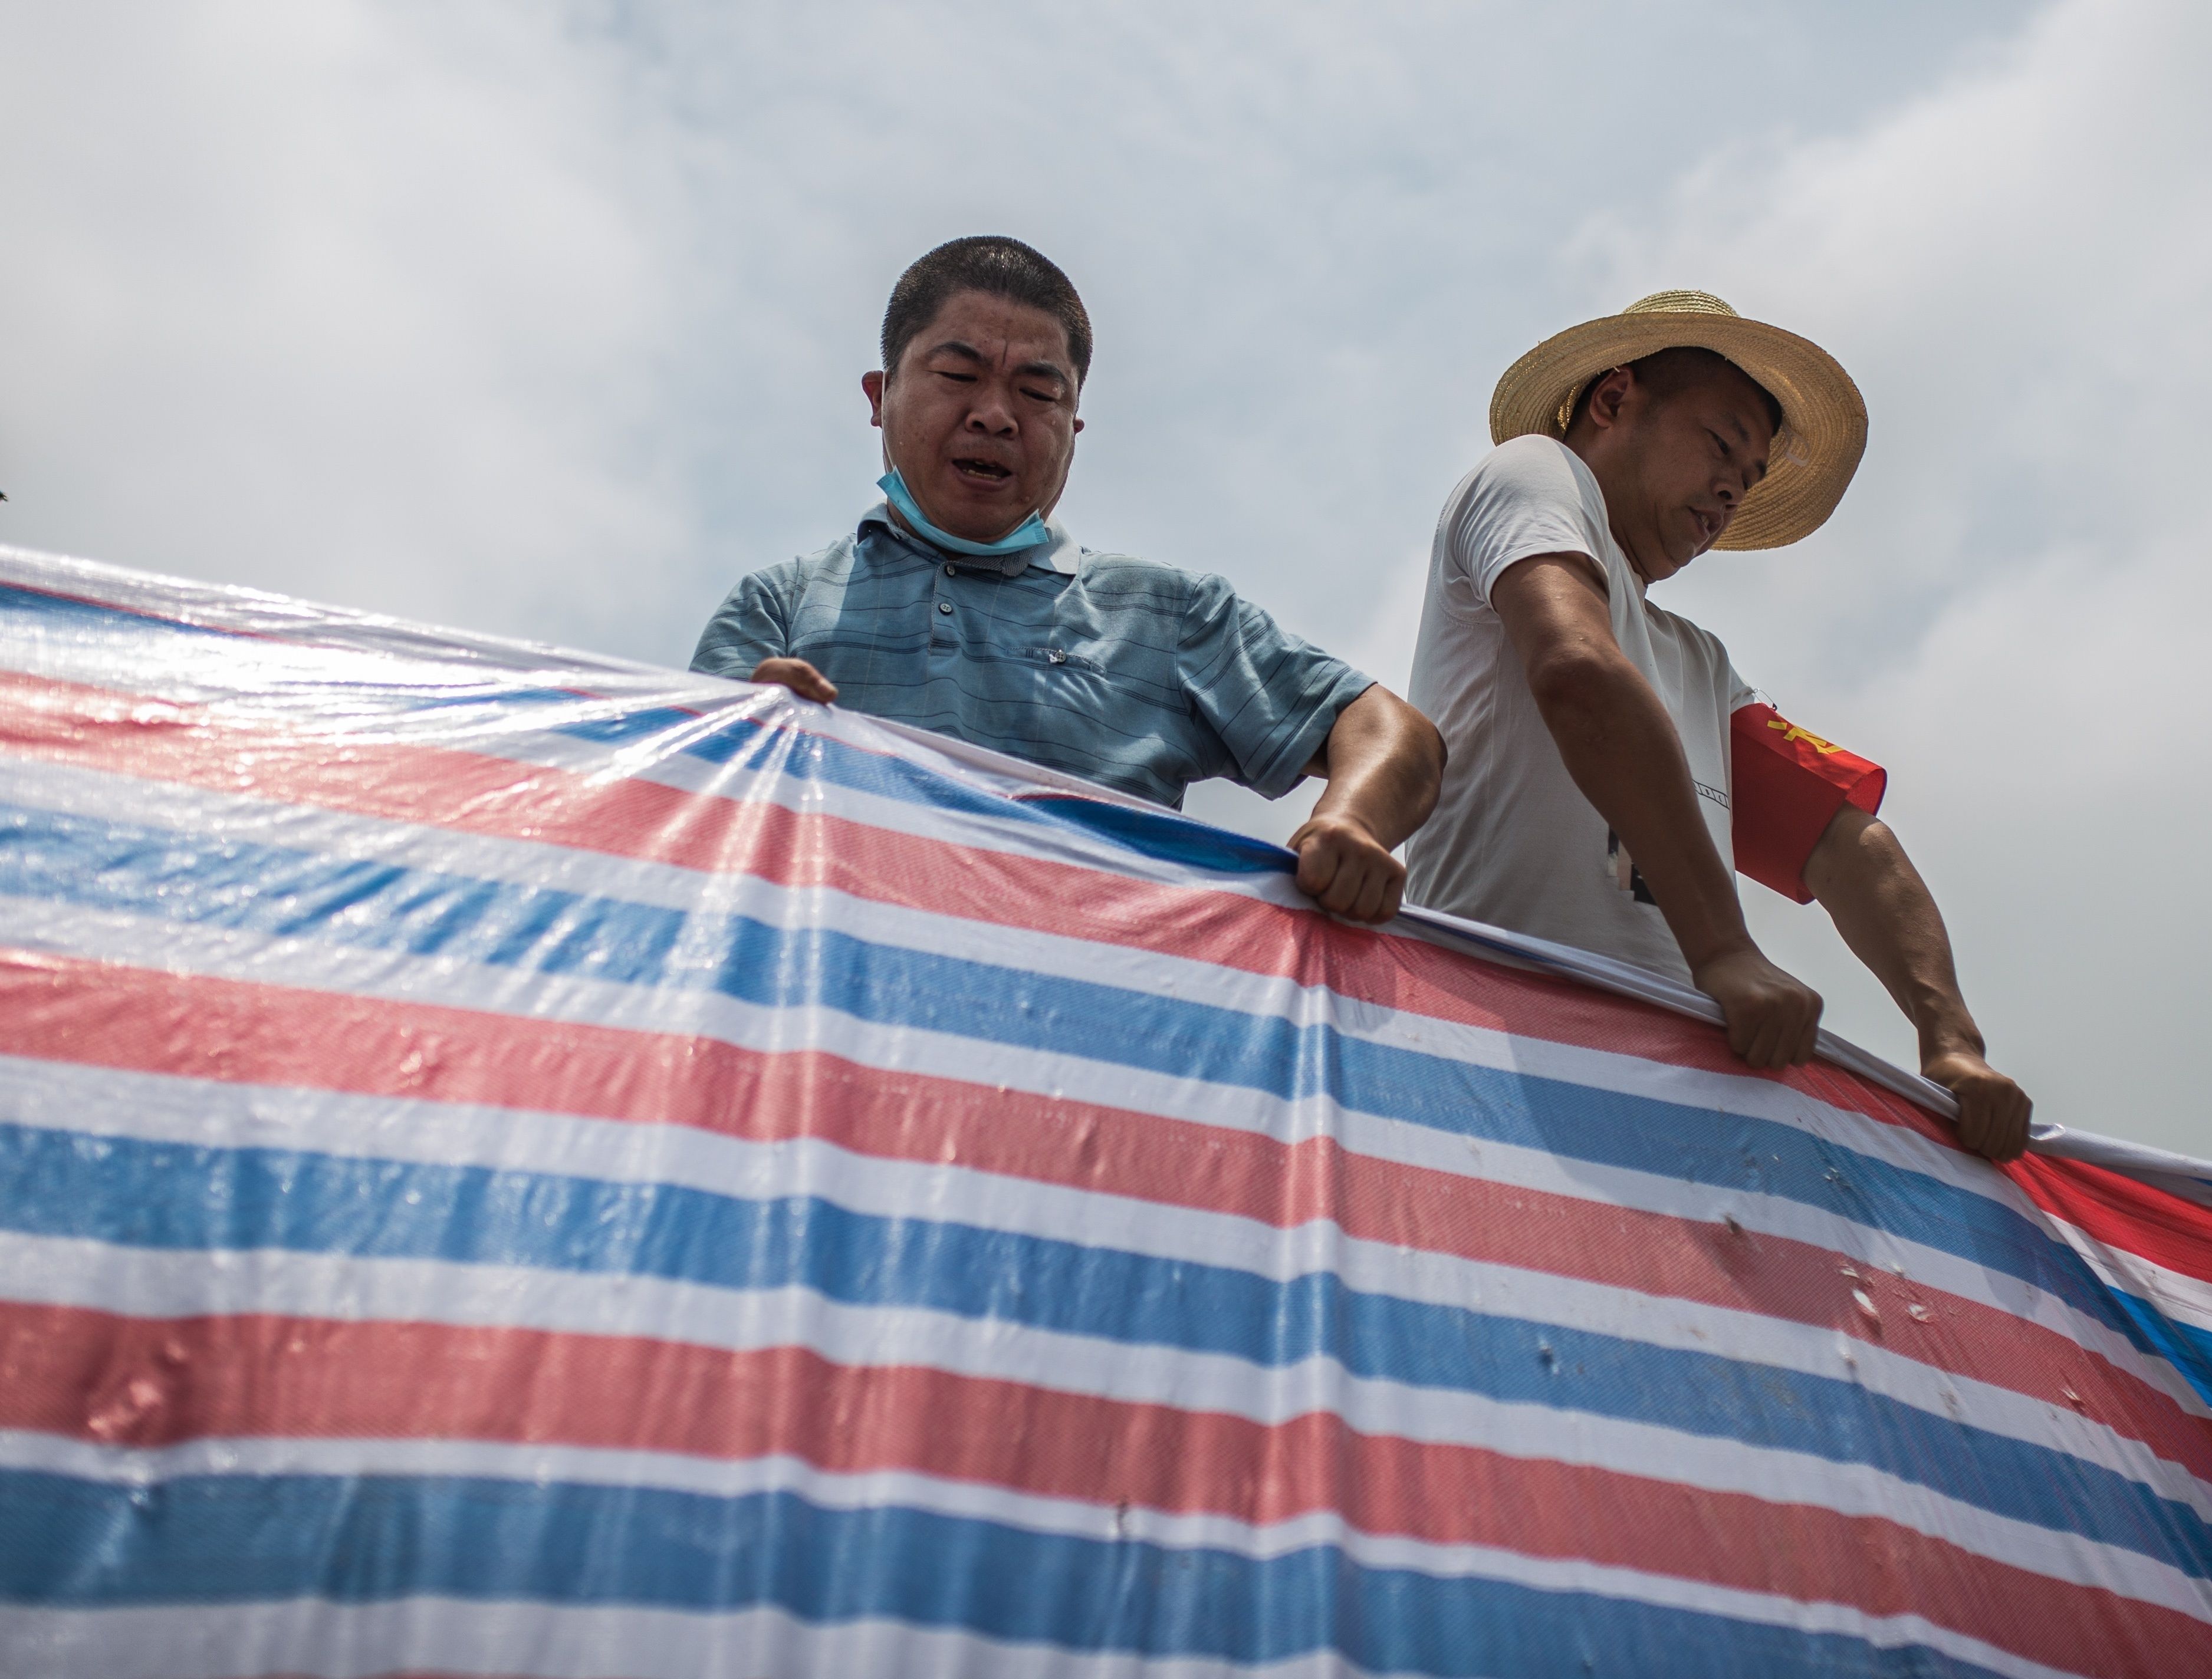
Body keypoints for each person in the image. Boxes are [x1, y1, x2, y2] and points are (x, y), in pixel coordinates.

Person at [1404, 291, 2033, 1160]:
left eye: (1753, 475)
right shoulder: (1532, 472)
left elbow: (1844, 841)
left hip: (1673, 1095)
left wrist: (1952, 1042)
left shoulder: (1697, 665)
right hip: (1493, 1045)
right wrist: (1725, 953)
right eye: (1721, 444)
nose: (1735, 486)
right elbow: (1578, 674)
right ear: (1614, 400)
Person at [693, 237, 1441, 923]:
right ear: (878, 396)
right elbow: (679, 815)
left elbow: (1395, 733)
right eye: (958, 375)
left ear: (1074, 427)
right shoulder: (779, 606)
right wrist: (744, 734)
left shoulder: (1169, 614)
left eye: (1038, 394)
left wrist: (1350, 822)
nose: (994, 415)